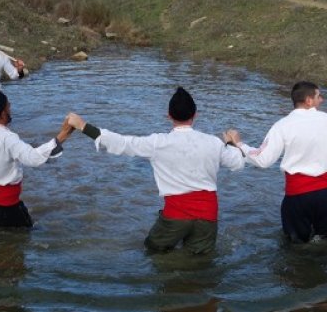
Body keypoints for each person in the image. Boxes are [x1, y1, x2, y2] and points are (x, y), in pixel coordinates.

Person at [65, 87, 245, 254]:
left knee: (152, 251)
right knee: (200, 262)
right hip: (208, 214)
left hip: (176, 214)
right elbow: (238, 162)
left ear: (168, 116)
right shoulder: (213, 142)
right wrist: (233, 142)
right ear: (195, 115)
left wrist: (83, 126)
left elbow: (122, 143)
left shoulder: (158, 143)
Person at [225, 81, 327, 243]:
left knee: (296, 244)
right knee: (324, 239)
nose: (322, 99)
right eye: (318, 96)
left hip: (298, 194)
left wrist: (238, 144)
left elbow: (263, 159)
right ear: (308, 100)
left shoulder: (282, 126)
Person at [0, 87, 73, 228]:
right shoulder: (8, 138)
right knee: (23, 240)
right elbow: (33, 158)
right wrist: (64, 134)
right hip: (6, 207)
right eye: (8, 105)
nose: (10, 107)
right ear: (3, 113)